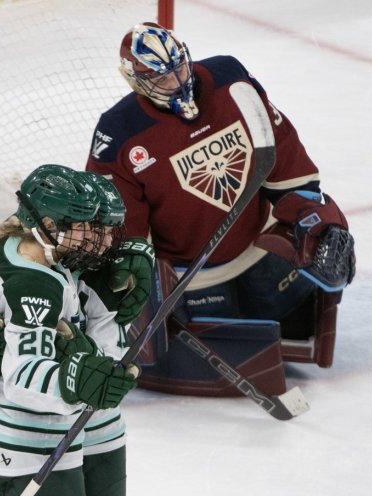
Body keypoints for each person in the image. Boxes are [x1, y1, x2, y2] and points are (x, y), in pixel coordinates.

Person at [85, 22, 355, 396]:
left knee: (291, 306)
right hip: (192, 275)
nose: (177, 82)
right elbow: (122, 230)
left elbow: (285, 156)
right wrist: (141, 286)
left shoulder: (231, 82)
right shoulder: (119, 134)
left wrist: (315, 220)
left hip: (256, 247)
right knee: (229, 332)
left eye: (179, 68)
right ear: (134, 80)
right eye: (161, 78)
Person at [0, 164, 153, 496]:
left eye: (107, 228)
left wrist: (95, 360)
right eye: (91, 227)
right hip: (31, 443)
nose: (104, 240)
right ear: (49, 226)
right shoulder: (35, 283)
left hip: (83, 432)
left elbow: (107, 348)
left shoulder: (55, 258)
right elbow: (22, 375)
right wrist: (75, 380)